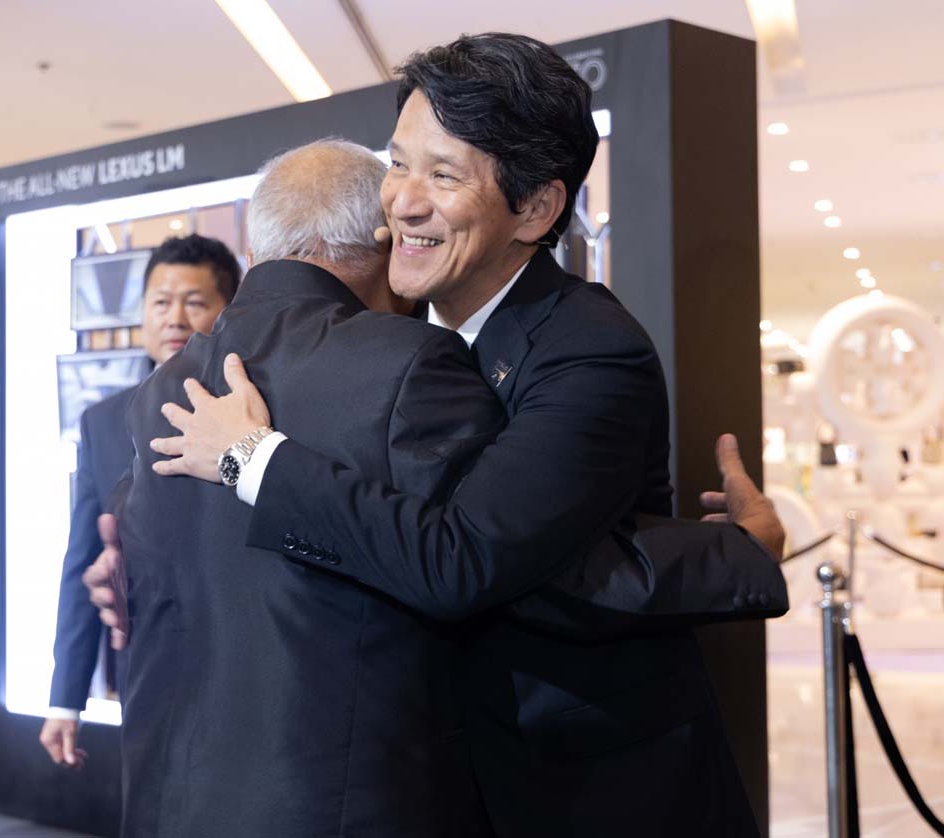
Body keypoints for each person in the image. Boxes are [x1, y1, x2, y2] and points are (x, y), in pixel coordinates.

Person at [127, 35, 785, 838]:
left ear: (535, 209)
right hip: (447, 776)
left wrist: (248, 459)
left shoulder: (587, 346)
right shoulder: (387, 345)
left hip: (584, 786)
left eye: (443, 176)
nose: (400, 202)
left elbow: (470, 558)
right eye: (398, 164)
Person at [39, 234, 241, 769]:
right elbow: (85, 559)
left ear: (228, 312)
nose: (174, 318)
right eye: (161, 302)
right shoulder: (103, 421)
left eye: (194, 302)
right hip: (143, 665)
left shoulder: (254, 409)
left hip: (242, 664)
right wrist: (65, 698)